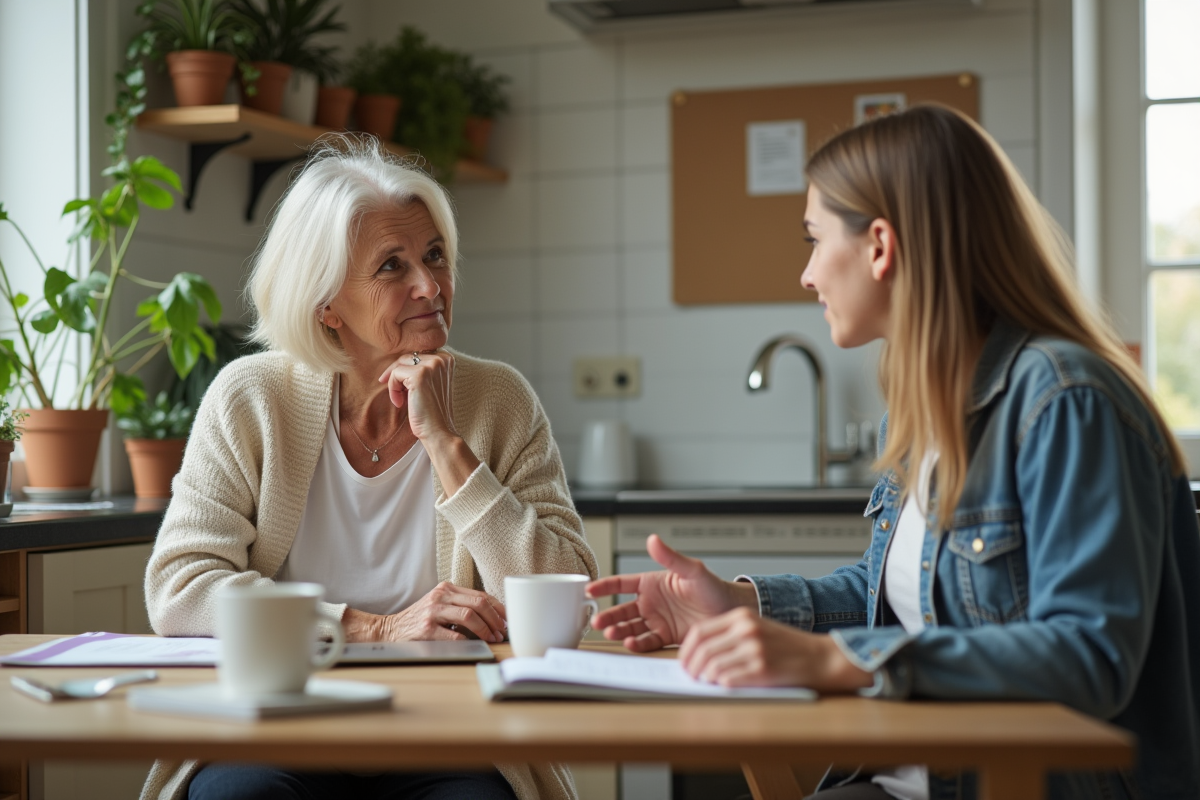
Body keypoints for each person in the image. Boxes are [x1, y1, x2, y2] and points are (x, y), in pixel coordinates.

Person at [588, 105, 1200, 800]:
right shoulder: (920, 409)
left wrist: (835, 658)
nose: (807, 275)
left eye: (815, 240)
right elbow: (912, 603)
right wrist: (743, 606)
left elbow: (1089, 656)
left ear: (880, 246)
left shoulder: (1065, 401)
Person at [141, 136, 597, 800]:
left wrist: (446, 446)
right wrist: (370, 628)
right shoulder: (250, 399)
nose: (430, 285)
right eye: (392, 266)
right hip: (278, 723)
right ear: (327, 303)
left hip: (453, 730)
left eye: (435, 255)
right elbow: (181, 592)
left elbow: (567, 595)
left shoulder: (498, 399)